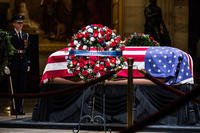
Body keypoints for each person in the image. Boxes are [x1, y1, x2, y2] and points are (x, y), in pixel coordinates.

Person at [8, 14, 30, 115]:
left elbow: (28, 50)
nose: (21, 24)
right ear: (14, 24)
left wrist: (28, 62)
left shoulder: (26, 35)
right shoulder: (9, 35)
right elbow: (7, 51)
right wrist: (6, 64)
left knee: (22, 86)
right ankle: (14, 108)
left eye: (22, 23)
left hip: (23, 63)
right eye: (18, 23)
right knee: (14, 86)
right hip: (14, 62)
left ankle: (20, 108)